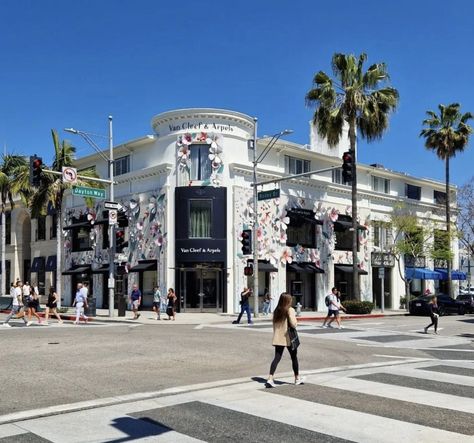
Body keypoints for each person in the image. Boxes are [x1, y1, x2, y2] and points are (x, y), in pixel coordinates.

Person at [266, 292, 305, 387]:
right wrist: (295, 321)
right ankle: (297, 378)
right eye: (290, 299)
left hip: (278, 337)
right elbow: (293, 324)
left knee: (277, 357)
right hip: (289, 337)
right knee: (294, 357)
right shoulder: (290, 310)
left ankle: (270, 378)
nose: (291, 300)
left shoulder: (276, 311)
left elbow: (274, 325)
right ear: (288, 300)